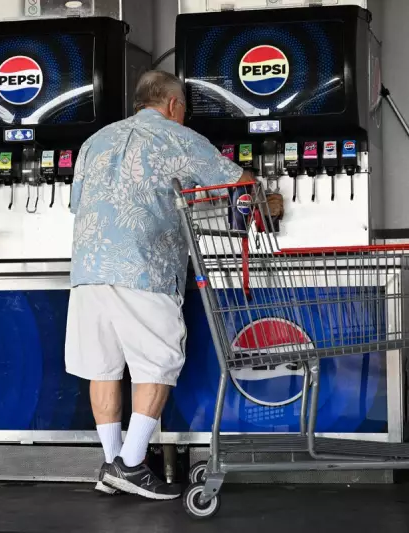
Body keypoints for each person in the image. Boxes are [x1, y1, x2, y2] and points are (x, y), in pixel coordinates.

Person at [66, 70, 283, 501]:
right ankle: (129, 464)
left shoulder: (95, 141)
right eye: (184, 109)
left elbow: (77, 205)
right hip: (143, 268)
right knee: (157, 362)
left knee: (102, 367)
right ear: (172, 105)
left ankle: (112, 466)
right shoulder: (177, 137)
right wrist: (268, 202)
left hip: (88, 269)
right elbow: (237, 184)